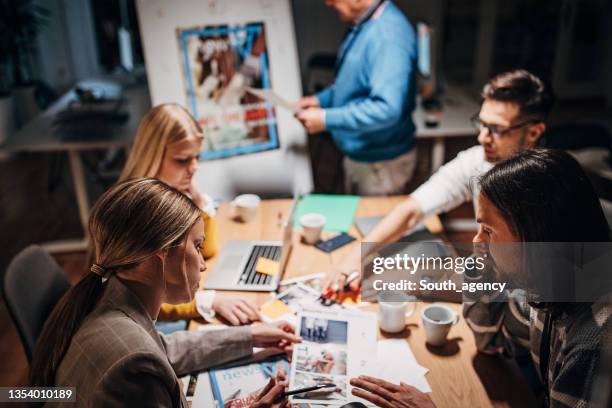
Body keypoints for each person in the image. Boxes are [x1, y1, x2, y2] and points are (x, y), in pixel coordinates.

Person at [350, 149, 611, 407]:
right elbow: (491, 341)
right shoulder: (548, 285)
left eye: (488, 230)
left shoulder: (593, 343)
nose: (476, 241)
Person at [30, 178, 300, 407]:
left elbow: (164, 348)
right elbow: (149, 356)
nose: (203, 263)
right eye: (197, 246)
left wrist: (252, 336)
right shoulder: (134, 366)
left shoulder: (105, 294)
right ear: (162, 255)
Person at [329, 69, 554, 290]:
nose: (482, 136)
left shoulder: (552, 188)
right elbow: (412, 210)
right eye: (482, 123)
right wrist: (354, 258)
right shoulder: (476, 161)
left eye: (497, 129)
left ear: (534, 132)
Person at [119, 103, 260, 326]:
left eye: (197, 157)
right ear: (152, 156)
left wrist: (198, 202)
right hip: (147, 321)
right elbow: (138, 299)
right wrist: (207, 302)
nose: (194, 167)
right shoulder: (135, 210)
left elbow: (208, 250)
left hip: (171, 302)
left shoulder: (168, 194)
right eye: (182, 160)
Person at [296, 0, 418, 196]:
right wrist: (321, 100)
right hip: (363, 157)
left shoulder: (387, 35)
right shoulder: (366, 24)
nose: (328, 3)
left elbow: (387, 108)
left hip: (380, 164)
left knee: (374, 225)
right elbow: (354, 85)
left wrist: (326, 119)